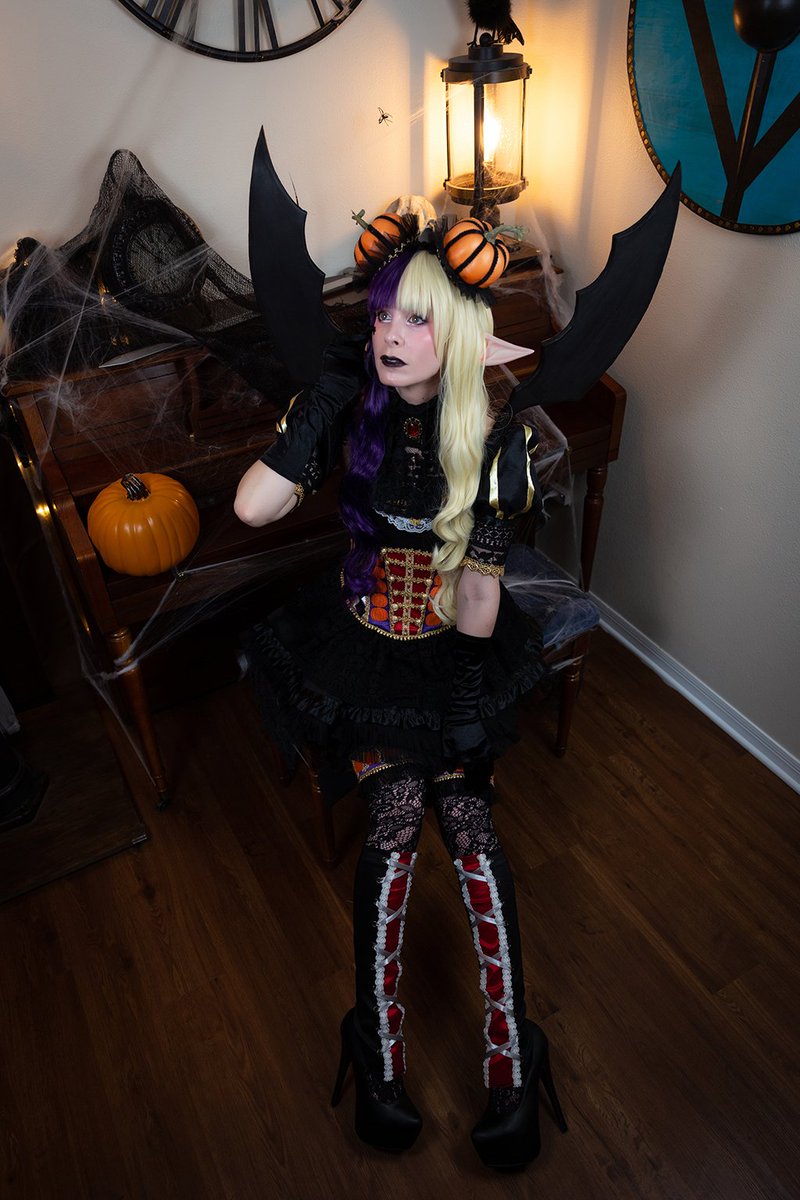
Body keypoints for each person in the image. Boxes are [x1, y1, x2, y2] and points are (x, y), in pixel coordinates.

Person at [234, 210, 567, 1171]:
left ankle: (513, 1060)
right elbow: (254, 506)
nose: (389, 333)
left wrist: (463, 702)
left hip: (452, 653)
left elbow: (480, 589)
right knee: (391, 824)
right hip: (363, 646)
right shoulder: (353, 405)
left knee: (469, 829)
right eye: (383, 313)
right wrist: (323, 404)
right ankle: (376, 1049)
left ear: (456, 333)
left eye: (416, 319)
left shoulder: (496, 438)